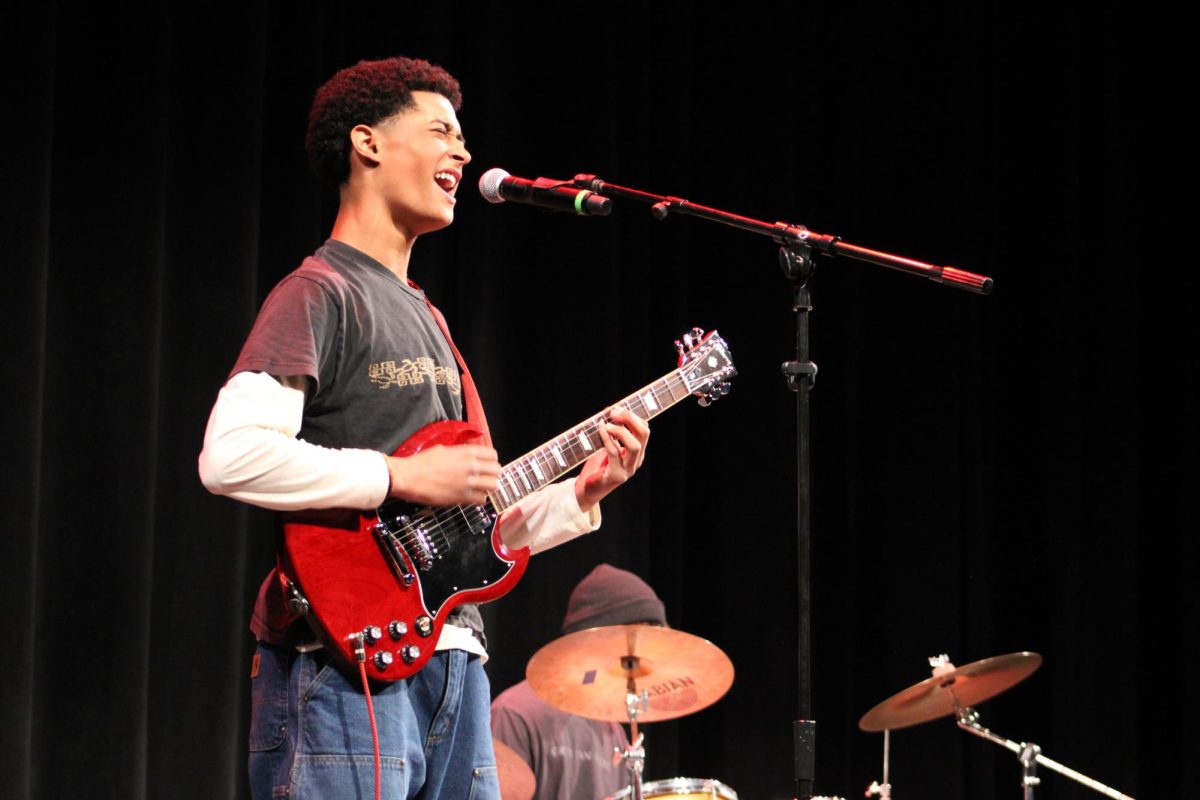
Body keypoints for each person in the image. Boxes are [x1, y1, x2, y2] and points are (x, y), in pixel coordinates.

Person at [197, 55, 650, 800]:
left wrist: (578, 497)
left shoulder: (430, 317)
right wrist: (399, 476)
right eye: (442, 131)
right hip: (345, 668)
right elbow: (231, 457)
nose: (464, 154)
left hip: (454, 665)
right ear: (368, 143)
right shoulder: (319, 292)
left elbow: (469, 525)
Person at [491, 564, 668, 800]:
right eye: (633, 650)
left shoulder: (612, 731)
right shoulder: (515, 713)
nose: (639, 662)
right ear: (592, 637)